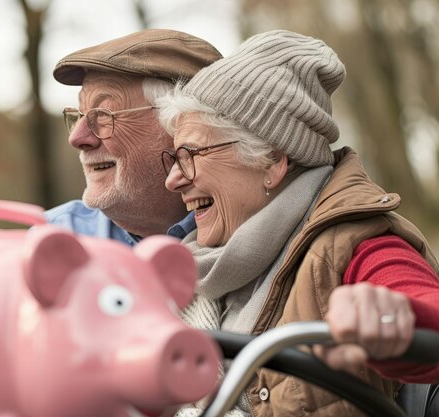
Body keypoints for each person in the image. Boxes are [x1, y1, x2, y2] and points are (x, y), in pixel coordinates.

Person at [156, 30, 439, 416]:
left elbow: (427, 318)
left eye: (190, 154)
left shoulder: (355, 244)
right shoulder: (195, 264)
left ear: (272, 161)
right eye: (173, 158)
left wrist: (391, 317)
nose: (174, 179)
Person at [45, 29, 222, 245]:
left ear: (184, 124)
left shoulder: (255, 237)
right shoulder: (51, 238)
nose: (77, 138)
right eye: (79, 115)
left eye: (103, 115)